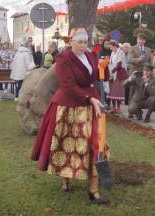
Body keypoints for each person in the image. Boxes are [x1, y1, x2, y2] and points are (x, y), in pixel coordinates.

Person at [31, 28, 108, 204]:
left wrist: (104, 68)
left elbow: (96, 76)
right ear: (71, 42)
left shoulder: (91, 56)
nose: (83, 46)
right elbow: (68, 85)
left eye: (85, 42)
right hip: (69, 105)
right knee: (66, 144)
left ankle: (94, 189)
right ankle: (65, 180)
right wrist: (89, 98)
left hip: (91, 105)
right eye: (79, 42)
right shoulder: (63, 58)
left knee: (95, 143)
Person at [106, 40, 127, 114]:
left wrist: (112, 71)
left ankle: (118, 107)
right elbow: (111, 62)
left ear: (114, 45)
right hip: (112, 74)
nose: (110, 48)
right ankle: (114, 107)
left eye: (110, 46)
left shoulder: (120, 52)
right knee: (112, 92)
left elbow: (119, 64)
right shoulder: (112, 53)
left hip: (119, 74)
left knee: (118, 92)